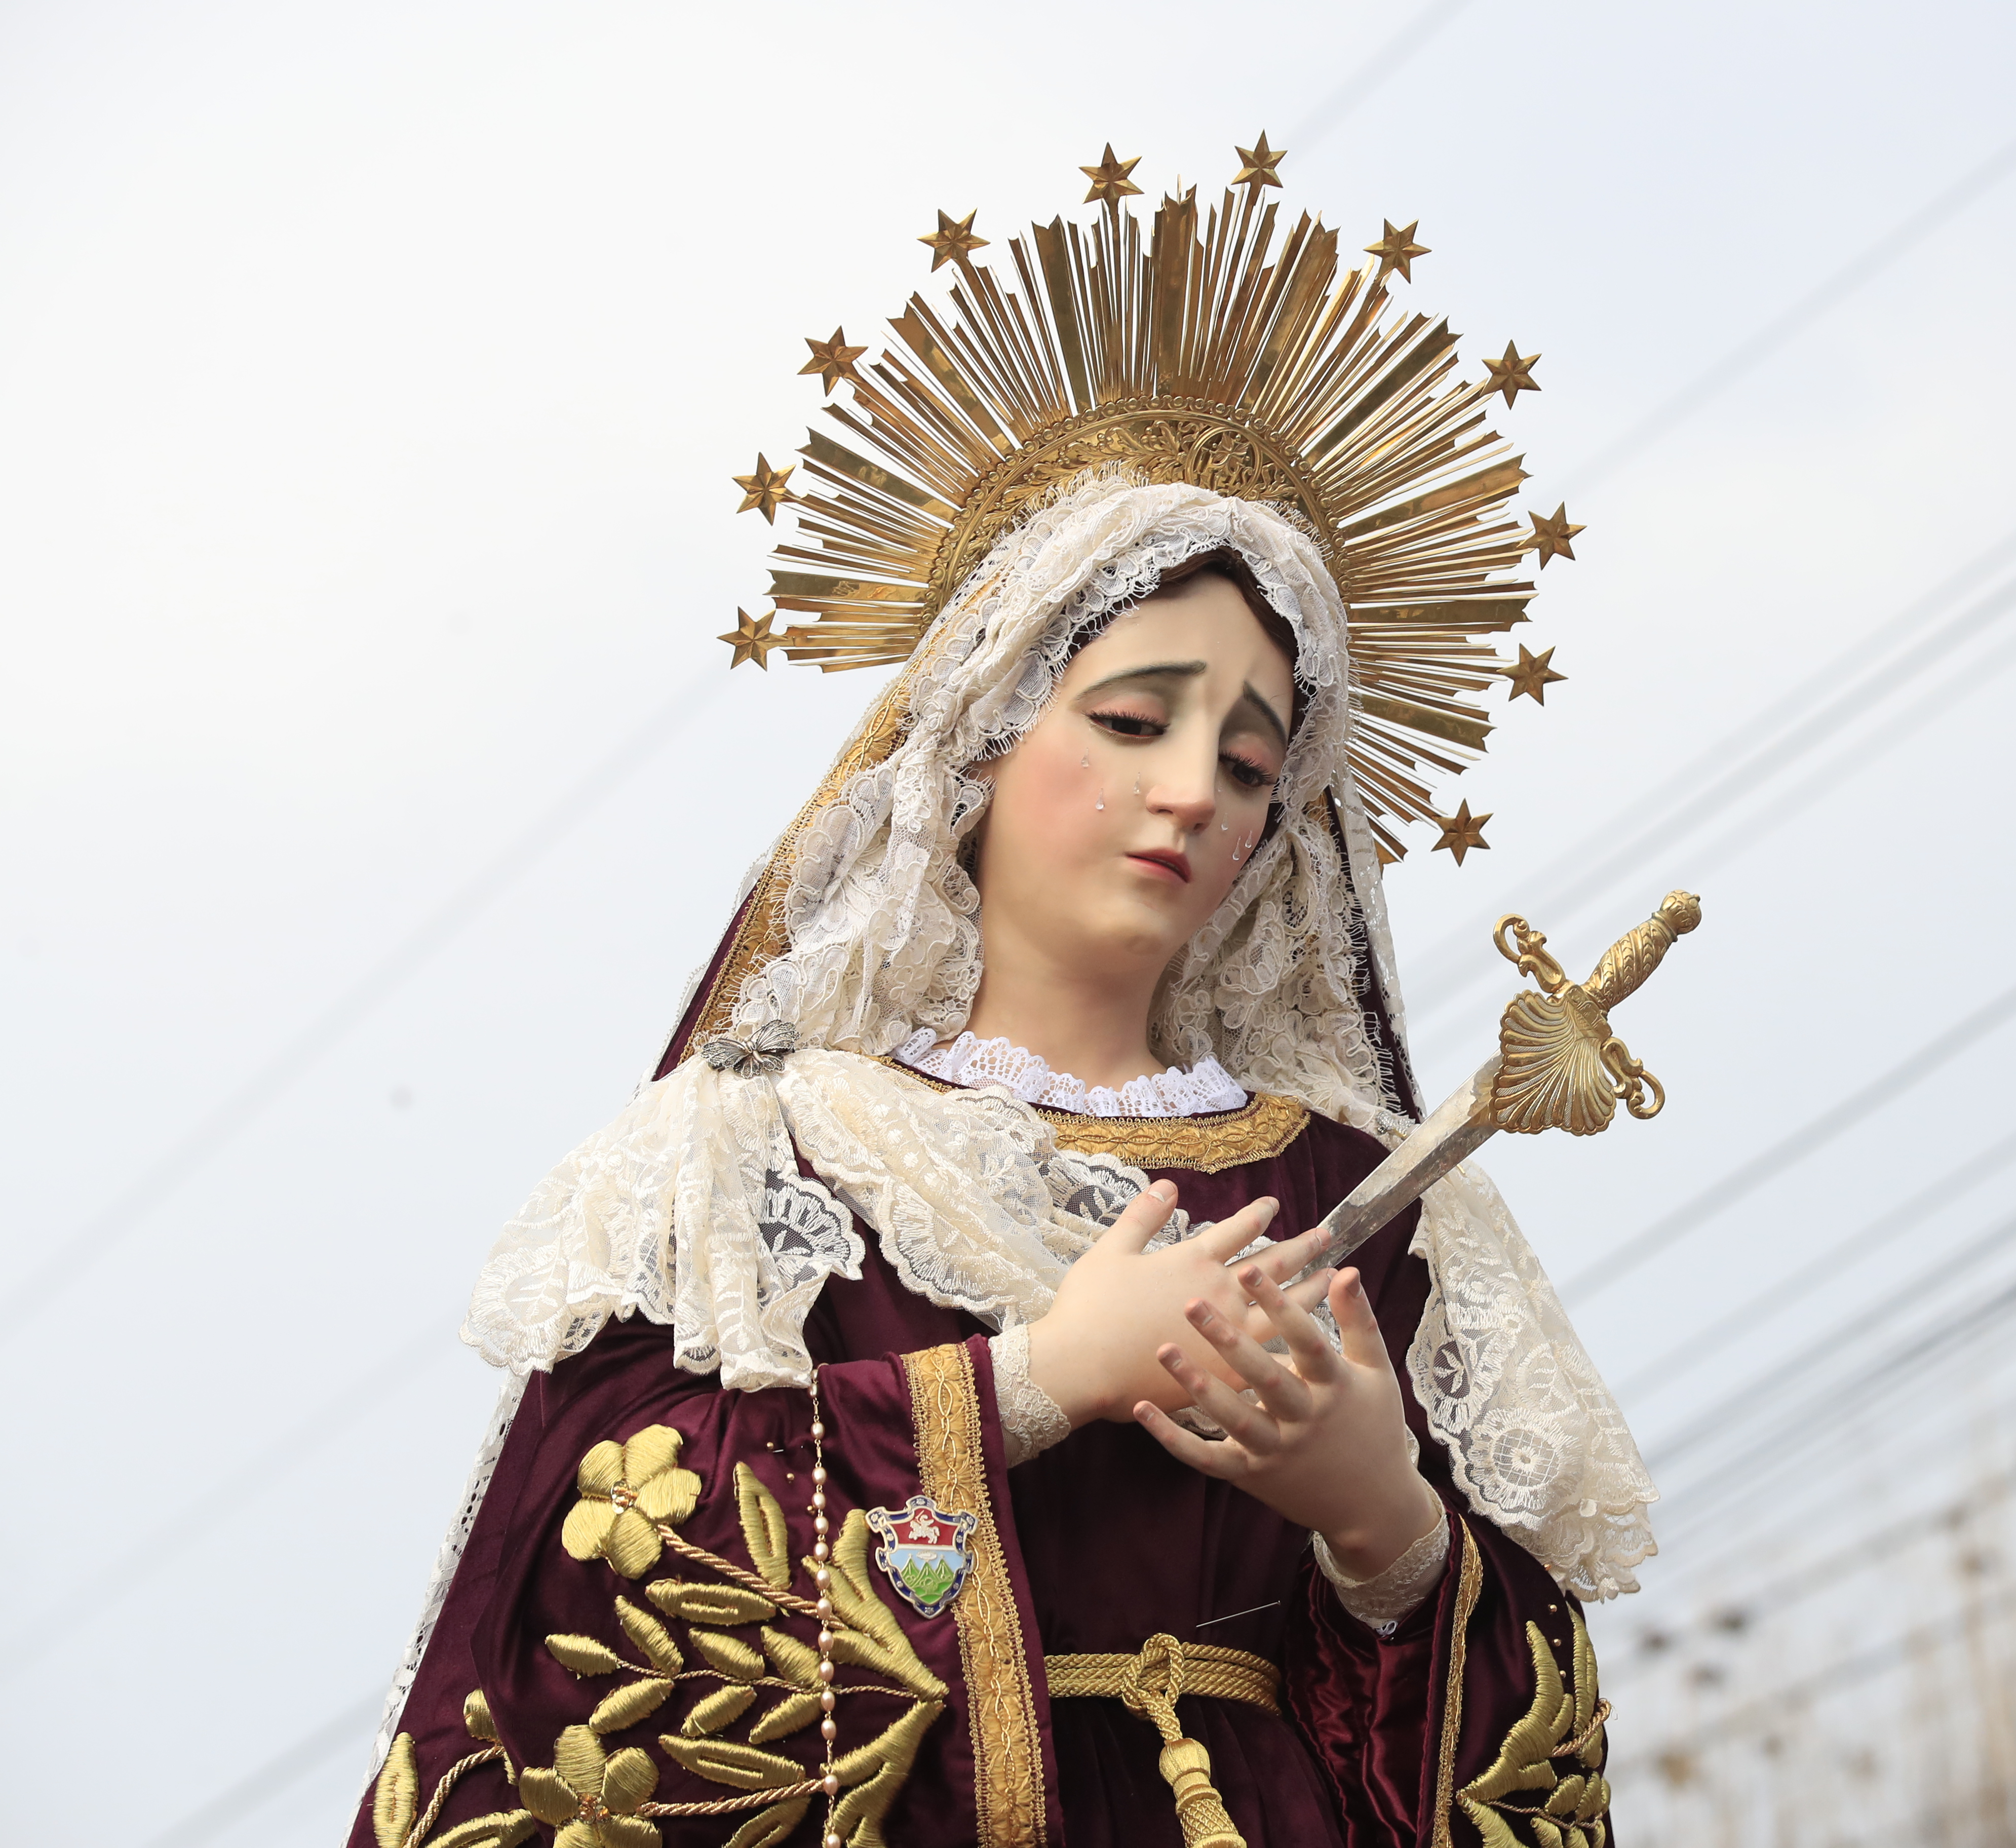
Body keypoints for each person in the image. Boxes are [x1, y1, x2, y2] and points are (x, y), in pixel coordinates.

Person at [351, 137, 1655, 1848]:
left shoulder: (1376, 1197)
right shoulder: (757, 1160)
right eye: (1132, 722)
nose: (1193, 791)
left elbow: (1534, 1749)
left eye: (1253, 760)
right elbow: (579, 1589)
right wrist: (1026, 1383)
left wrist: (1382, 1521)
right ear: (975, 741)